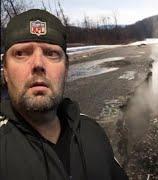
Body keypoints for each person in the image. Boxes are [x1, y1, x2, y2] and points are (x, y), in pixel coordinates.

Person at [0, 9, 128, 180]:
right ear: (5, 71)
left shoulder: (92, 132)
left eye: (51, 53)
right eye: (21, 53)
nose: (38, 64)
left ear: (66, 68)